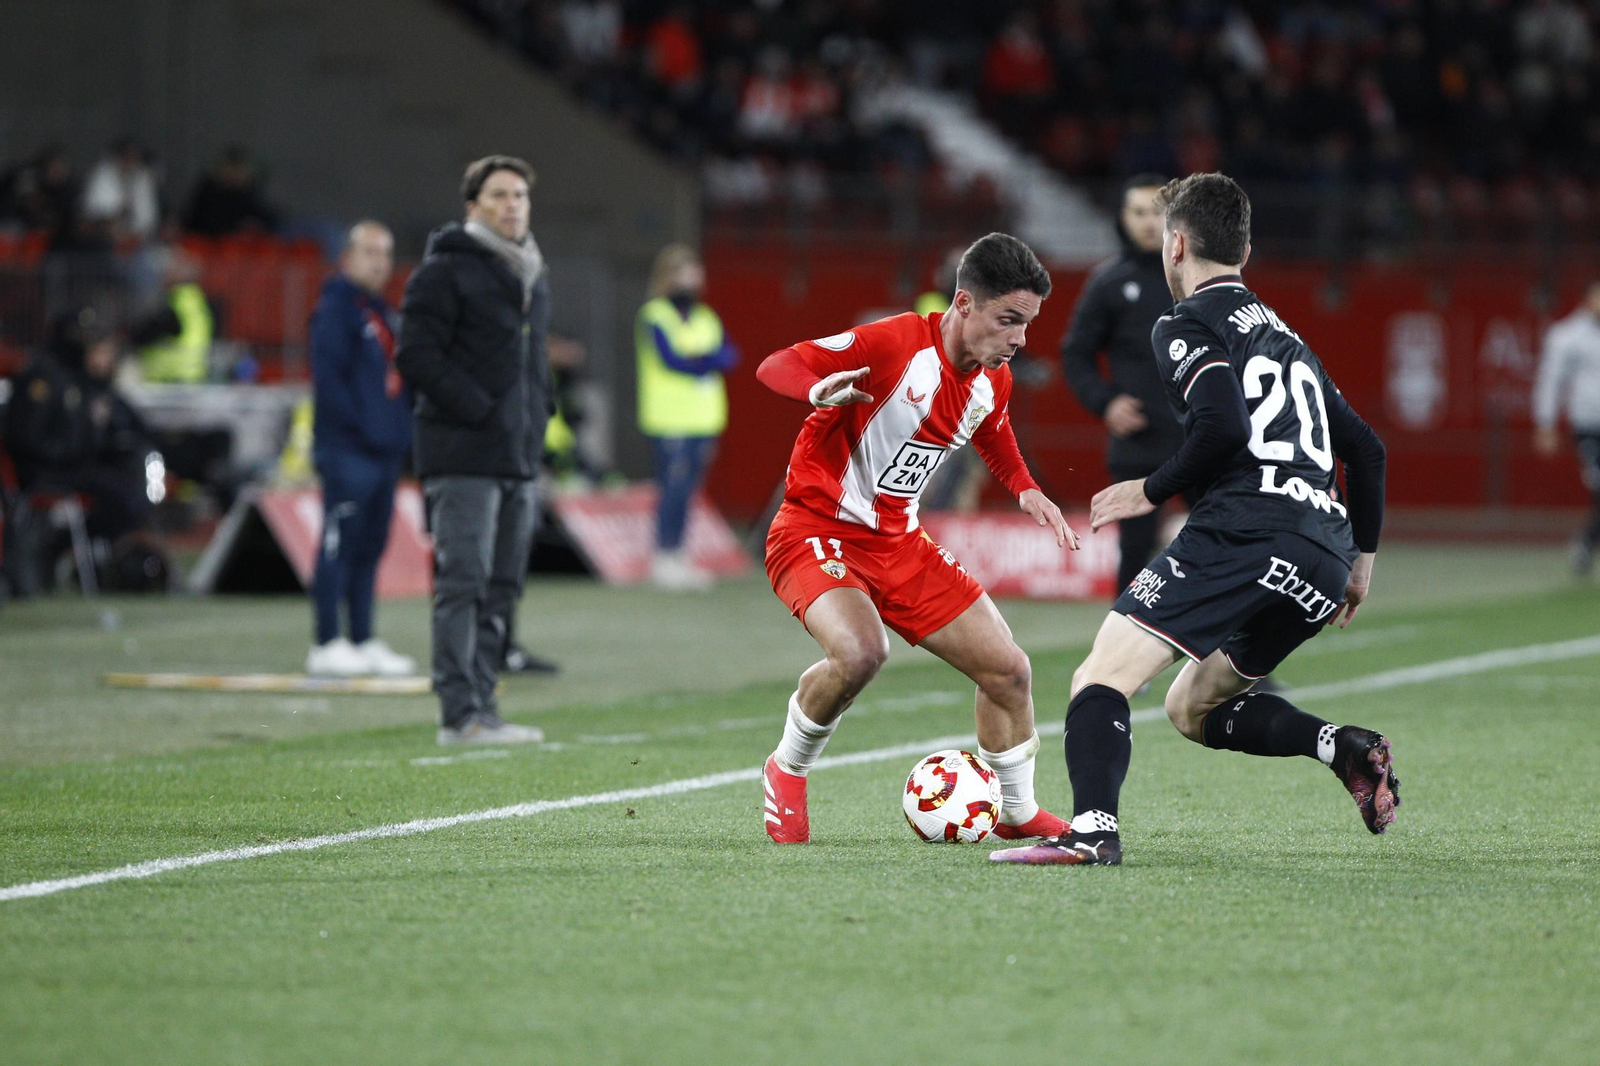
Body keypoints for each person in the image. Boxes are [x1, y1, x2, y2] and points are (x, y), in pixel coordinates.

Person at [991, 174, 1396, 868]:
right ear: (1243, 248)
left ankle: (1091, 830)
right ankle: (1342, 746)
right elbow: (1366, 448)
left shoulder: (1186, 323)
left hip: (1246, 527)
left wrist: (1149, 488)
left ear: (1175, 245)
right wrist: (1360, 561)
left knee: (1100, 679)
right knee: (1192, 709)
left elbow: (1222, 425)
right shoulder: (1287, 336)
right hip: (1322, 552)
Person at [755, 232, 1081, 844]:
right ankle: (786, 767)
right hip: (814, 529)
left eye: (1028, 325)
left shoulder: (992, 377)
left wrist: (1025, 487)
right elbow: (779, 364)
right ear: (963, 304)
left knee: (1008, 671)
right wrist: (815, 389)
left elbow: (994, 431)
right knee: (860, 653)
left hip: (899, 542)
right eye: (1009, 320)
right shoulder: (895, 341)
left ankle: (1013, 811)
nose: (1019, 339)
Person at [396, 155, 553, 745]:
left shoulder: (532, 270)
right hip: (462, 452)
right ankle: (457, 714)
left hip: (516, 453)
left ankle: (484, 706)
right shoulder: (442, 271)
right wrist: (481, 408)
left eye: (520, 194)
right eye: (499, 195)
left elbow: (532, 363)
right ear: (473, 207)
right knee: (463, 582)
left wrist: (540, 417)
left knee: (504, 584)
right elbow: (415, 357)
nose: (513, 204)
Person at [1060, 173, 1194, 594]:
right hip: (1140, 443)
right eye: (1138, 212)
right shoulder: (1109, 281)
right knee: (1133, 559)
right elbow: (1075, 353)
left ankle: (1221, 646)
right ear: (1123, 217)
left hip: (1201, 437)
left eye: (1156, 211)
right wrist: (1106, 402)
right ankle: (1123, 649)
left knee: (1222, 545)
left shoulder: (1195, 275)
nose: (1148, 222)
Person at [305, 221, 416, 677]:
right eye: (370, 252)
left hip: (383, 451)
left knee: (370, 546)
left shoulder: (382, 313)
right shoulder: (336, 310)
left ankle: (363, 637)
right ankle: (327, 640)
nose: (379, 262)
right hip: (349, 448)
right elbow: (329, 382)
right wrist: (360, 429)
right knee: (340, 543)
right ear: (346, 256)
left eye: (386, 253)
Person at [3, 306, 159, 557]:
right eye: (97, 346)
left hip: (75, 468)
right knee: (124, 497)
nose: (103, 356)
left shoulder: (86, 383)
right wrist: (81, 440)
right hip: (48, 473)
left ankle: (84, 555)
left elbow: (134, 424)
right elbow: (28, 438)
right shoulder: (44, 379)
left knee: (134, 491)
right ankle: (61, 548)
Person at [635, 244, 736, 591]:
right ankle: (663, 555)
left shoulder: (707, 316)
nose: (690, 280)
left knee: (690, 490)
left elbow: (729, 355)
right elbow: (670, 360)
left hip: (704, 418)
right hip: (669, 418)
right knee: (672, 488)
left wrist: (698, 359)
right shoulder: (654, 315)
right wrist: (703, 359)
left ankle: (678, 555)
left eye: (694, 273)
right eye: (682, 273)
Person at [1532, 280, 1600, 575]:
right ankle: (1586, 544)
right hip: (1588, 425)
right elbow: (1550, 380)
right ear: (1587, 299)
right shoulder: (1566, 336)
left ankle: (1587, 543)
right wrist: (1545, 423)